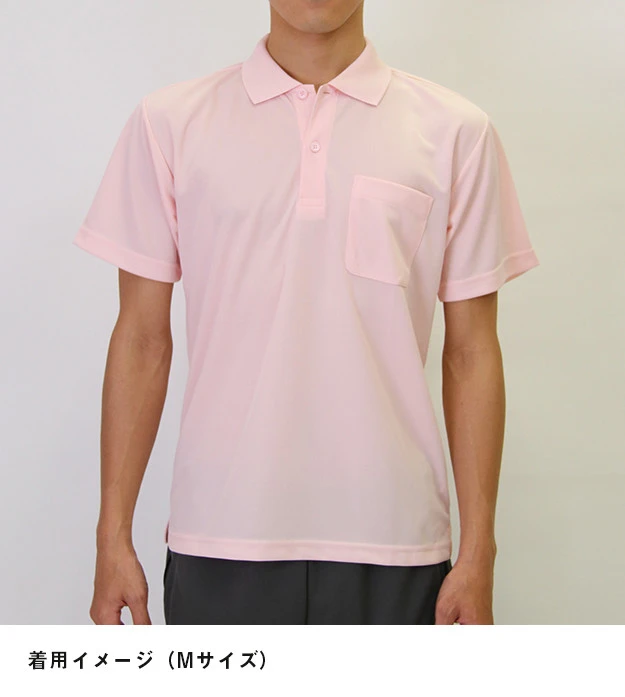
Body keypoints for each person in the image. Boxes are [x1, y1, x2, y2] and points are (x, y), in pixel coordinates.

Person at [74, 0, 540, 625]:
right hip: (220, 532)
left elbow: (472, 351)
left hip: (395, 538)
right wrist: (111, 537)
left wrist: (480, 552)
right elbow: (141, 340)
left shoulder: (457, 132)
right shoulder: (170, 124)